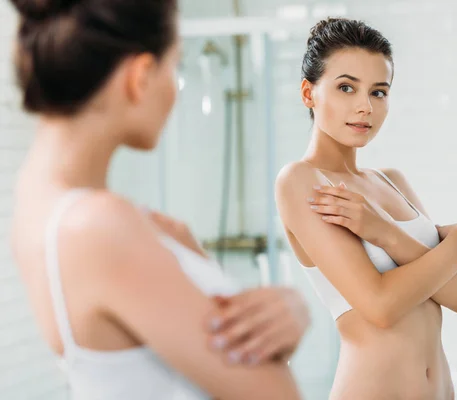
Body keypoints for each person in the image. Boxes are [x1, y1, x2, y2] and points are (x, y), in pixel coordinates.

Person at [8, 1, 309, 399]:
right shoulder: (98, 226)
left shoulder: (44, 204)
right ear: (141, 76)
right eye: (175, 67)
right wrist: (295, 314)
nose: (174, 90)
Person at [276, 17, 457, 399]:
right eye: (346, 87)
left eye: (378, 92)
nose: (364, 107)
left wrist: (383, 230)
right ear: (308, 93)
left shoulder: (391, 182)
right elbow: (380, 306)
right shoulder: (302, 181)